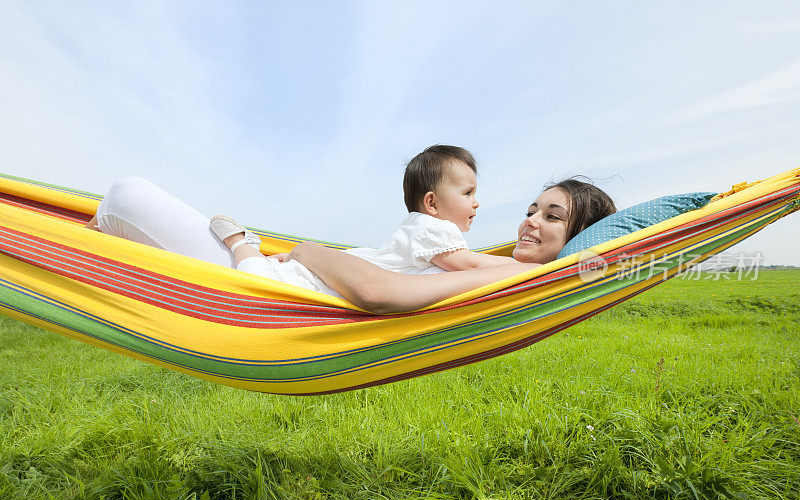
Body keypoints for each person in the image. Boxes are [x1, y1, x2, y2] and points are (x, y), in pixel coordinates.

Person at [86, 156, 615, 313]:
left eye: (551, 218)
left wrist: (311, 251)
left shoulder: (514, 275)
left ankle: (62, 253)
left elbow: (382, 291)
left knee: (125, 195)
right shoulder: (503, 266)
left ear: (574, 239)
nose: (529, 221)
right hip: (283, 279)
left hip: (276, 290)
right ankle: (60, 253)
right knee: (122, 224)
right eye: (531, 209)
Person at [209, 145, 523, 294]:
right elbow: (470, 266)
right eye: (468, 193)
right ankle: (242, 244)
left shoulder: (420, 226)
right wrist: (530, 269)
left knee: (262, 279)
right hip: (323, 282)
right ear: (432, 203)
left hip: (331, 273)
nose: (476, 202)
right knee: (256, 285)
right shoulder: (435, 231)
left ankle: (262, 253)